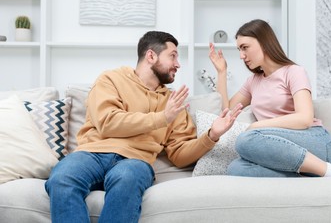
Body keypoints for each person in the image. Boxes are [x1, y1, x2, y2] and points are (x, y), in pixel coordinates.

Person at [45, 31, 243, 223]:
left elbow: (179, 155)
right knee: (62, 177)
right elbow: (108, 123)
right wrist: (161, 118)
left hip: (134, 161)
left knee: (127, 179)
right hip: (92, 153)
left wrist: (211, 136)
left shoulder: (172, 103)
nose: (178, 64)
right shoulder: (111, 79)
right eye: (172, 56)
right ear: (151, 55)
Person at [209, 19, 331, 178]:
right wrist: (221, 72)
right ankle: (305, 174)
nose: (241, 56)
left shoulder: (293, 72)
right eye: (239, 49)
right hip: (280, 149)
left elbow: (305, 119)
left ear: (264, 43)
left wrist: (258, 126)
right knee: (236, 168)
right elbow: (226, 112)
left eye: (245, 48)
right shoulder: (253, 82)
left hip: (314, 142)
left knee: (245, 140)